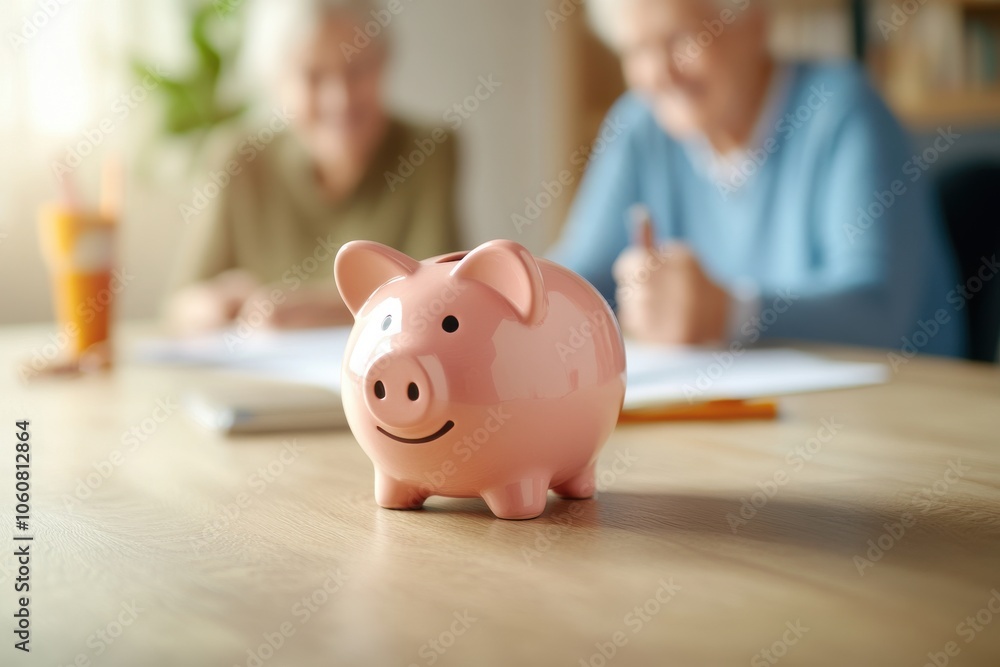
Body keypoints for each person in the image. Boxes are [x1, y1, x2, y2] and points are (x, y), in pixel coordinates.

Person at [549, 0, 965, 356]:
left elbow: (878, 317)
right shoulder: (639, 125)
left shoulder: (843, 112)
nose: (658, 74)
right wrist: (529, 294)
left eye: (681, 39)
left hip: (899, 410)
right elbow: (577, 282)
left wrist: (727, 314)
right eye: (637, 49)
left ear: (754, 23)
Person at [167, 0, 460, 333]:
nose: (340, 98)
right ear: (278, 83)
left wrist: (318, 309)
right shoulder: (239, 157)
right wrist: (217, 305)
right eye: (313, 75)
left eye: (357, 69)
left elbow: (442, 295)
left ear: (383, 66)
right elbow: (180, 305)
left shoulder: (429, 151)